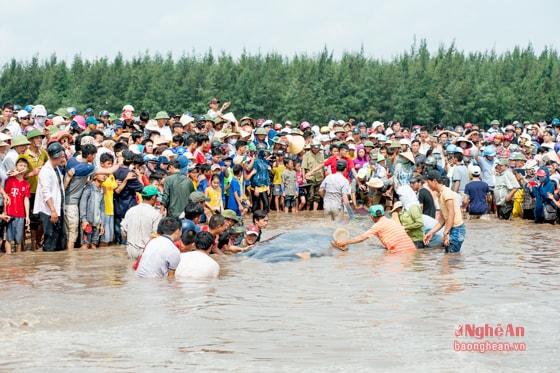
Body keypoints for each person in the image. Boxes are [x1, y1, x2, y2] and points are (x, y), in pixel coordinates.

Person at [333, 205, 416, 253]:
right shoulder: (392, 221)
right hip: (412, 250)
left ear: (372, 216)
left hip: (400, 253)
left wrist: (343, 242)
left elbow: (361, 238)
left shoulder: (378, 226)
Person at [34, 142, 66, 252]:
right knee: (50, 239)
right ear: (56, 157)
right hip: (49, 210)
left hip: (57, 208)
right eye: (61, 156)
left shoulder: (56, 169)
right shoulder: (45, 171)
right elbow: (45, 192)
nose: (63, 158)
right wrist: (53, 210)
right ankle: (47, 266)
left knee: (59, 241)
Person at [423, 170, 466, 253]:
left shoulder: (446, 192)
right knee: (448, 258)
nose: (427, 185)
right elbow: (443, 217)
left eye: (428, 182)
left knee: (450, 258)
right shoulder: (440, 194)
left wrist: (446, 233)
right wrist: (431, 233)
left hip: (456, 229)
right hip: (451, 229)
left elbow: (451, 213)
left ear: (434, 181)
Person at [121, 186, 162, 259]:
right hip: (146, 250)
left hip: (131, 250)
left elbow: (124, 232)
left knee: (131, 269)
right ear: (153, 197)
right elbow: (156, 235)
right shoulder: (155, 214)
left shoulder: (130, 211)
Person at [4, 157, 30, 253]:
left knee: (19, 240)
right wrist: (5, 211)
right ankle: (9, 255)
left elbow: (26, 199)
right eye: (20, 165)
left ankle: (18, 258)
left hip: (21, 214)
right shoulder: (10, 180)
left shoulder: (26, 184)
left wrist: (27, 216)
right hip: (10, 213)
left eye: (25, 166)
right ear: (16, 167)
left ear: (27, 169)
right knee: (8, 238)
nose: (22, 167)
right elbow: (5, 195)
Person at [301, 139, 324, 211]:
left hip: (319, 178)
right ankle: (307, 210)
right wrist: (304, 178)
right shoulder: (306, 155)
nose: (316, 149)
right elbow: (303, 168)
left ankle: (314, 211)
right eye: (315, 147)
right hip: (310, 178)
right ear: (311, 147)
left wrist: (323, 177)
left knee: (317, 196)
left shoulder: (321, 155)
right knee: (310, 196)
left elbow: (322, 166)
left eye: (317, 148)